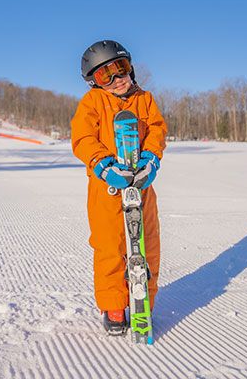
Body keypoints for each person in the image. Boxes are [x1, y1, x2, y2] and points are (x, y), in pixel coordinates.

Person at [71, 40, 167, 334]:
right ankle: (114, 305)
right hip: (106, 186)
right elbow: (83, 137)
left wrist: (151, 158)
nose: (116, 80)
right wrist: (102, 164)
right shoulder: (92, 103)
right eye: (106, 76)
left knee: (147, 241)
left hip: (140, 182)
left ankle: (143, 302)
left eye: (121, 69)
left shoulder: (145, 99)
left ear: (130, 68)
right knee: (109, 244)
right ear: (94, 81)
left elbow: (156, 129)